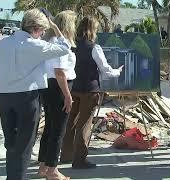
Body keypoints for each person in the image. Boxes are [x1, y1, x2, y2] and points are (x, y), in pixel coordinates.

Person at [0, 8, 70, 180]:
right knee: (24, 144)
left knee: (11, 143)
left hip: (4, 96)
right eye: (42, 31)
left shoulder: (3, 43)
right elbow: (65, 48)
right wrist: (56, 29)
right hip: (26, 98)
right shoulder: (35, 45)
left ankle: (12, 176)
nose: (43, 34)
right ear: (36, 29)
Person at [60, 16, 124, 169]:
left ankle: (66, 155)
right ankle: (79, 160)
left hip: (73, 88)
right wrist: (117, 72)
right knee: (84, 125)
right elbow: (105, 70)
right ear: (92, 30)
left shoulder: (71, 46)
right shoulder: (94, 47)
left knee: (70, 122)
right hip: (90, 90)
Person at [37, 10, 77, 180]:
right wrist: (68, 95)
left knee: (50, 128)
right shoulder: (58, 43)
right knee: (58, 130)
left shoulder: (52, 41)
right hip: (59, 87)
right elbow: (60, 72)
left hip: (50, 87)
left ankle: (44, 166)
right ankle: (52, 170)